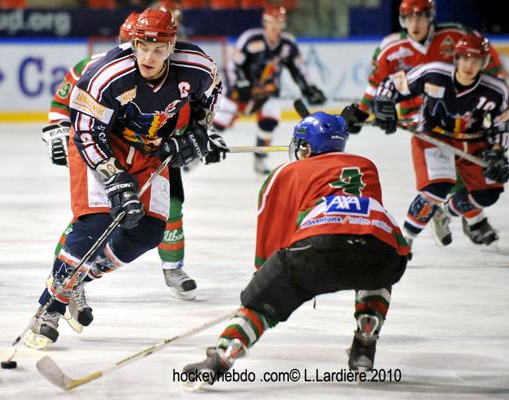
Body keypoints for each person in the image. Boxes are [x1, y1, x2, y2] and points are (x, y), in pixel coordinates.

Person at [26, 8, 227, 349]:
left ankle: (77, 280)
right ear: (131, 43)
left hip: (150, 152)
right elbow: (87, 131)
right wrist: (113, 178)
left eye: (160, 49)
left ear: (173, 46)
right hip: (104, 144)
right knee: (95, 223)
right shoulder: (107, 74)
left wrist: (198, 132)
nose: (149, 56)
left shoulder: (197, 66)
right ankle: (50, 307)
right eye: (142, 47)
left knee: (147, 231)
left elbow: (211, 93)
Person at [182, 112, 409, 386]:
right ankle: (366, 340)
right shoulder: (367, 165)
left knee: (259, 307)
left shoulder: (287, 171)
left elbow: (272, 232)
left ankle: (221, 357)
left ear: (307, 146)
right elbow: (360, 225)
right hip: (385, 251)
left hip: (318, 248)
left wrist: (263, 285)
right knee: (374, 266)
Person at [350, 0, 507, 246]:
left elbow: (495, 79)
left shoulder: (457, 35)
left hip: (469, 128)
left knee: (482, 187)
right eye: (409, 18)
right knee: (440, 183)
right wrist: (366, 111)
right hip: (427, 125)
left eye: (420, 17)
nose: (415, 23)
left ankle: (458, 215)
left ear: (431, 16)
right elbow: (380, 85)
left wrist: (499, 150)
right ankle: (458, 223)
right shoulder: (392, 48)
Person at [212, 4, 326, 175]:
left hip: (268, 92)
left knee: (269, 123)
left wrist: (309, 89)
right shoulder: (251, 38)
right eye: (271, 23)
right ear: (265, 23)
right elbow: (233, 64)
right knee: (218, 124)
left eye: (279, 24)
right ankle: (196, 155)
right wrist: (239, 84)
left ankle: (260, 159)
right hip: (242, 90)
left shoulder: (288, 44)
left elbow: (298, 70)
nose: (275, 28)